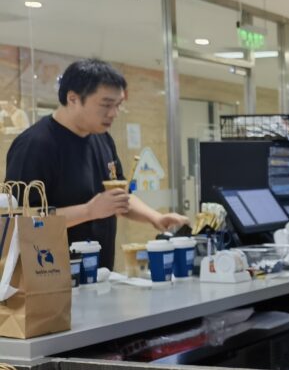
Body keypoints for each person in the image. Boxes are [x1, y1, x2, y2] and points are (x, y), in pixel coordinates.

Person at [5, 59, 188, 270]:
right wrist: (89, 211)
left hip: (99, 272)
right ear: (73, 98)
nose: (114, 113)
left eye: (118, 105)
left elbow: (119, 197)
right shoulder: (35, 145)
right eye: (106, 105)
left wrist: (155, 217)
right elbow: (20, 222)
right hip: (50, 276)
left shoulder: (102, 139)